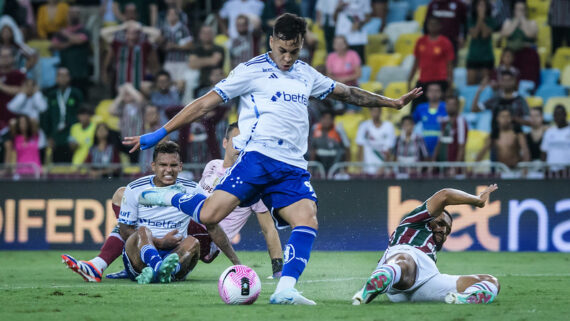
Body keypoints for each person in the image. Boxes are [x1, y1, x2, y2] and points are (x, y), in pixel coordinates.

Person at [125, 13, 422, 304]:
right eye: (282, 50)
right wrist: (159, 132)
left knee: (307, 220)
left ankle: (285, 290)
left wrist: (391, 103)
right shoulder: (250, 70)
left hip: (292, 166)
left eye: (294, 51)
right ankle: (165, 197)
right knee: (208, 217)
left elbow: (347, 93)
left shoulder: (306, 73)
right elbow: (205, 104)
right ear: (271, 42)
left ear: (301, 45)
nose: (287, 57)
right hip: (257, 158)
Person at [352, 184, 500, 305]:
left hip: (427, 281)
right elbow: (445, 195)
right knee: (405, 261)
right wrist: (477, 200)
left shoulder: (431, 250)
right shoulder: (413, 222)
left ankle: (463, 298)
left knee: (491, 281)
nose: (443, 230)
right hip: (403, 263)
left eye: (447, 230)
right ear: (428, 218)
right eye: (440, 223)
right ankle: (381, 278)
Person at [119, 141, 240, 284]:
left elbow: (212, 226)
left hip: (174, 256)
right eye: (163, 165)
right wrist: (159, 242)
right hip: (139, 259)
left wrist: (237, 264)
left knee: (193, 242)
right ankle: (159, 268)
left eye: (173, 165)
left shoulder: (192, 189)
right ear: (153, 166)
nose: (168, 170)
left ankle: (166, 271)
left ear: (180, 166)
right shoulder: (135, 188)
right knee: (142, 231)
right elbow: (124, 230)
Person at [199, 122, 284, 278]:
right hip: (186, 227)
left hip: (209, 240)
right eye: (237, 140)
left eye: (246, 142)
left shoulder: (252, 183)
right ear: (225, 143)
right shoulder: (212, 165)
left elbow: (268, 229)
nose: (241, 146)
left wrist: (278, 270)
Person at [409, 17, 454, 110]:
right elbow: (416, 63)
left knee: (442, 109)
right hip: (423, 80)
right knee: (415, 107)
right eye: (430, 24)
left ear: (440, 26)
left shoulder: (445, 42)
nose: (432, 26)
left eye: (435, 24)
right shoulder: (420, 41)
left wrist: (450, 85)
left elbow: (450, 66)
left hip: (440, 81)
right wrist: (410, 80)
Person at [41, 67, 83, 163]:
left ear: (70, 78)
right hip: (55, 134)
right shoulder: (51, 95)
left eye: (65, 75)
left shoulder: (76, 94)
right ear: (56, 78)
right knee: (55, 164)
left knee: (72, 162)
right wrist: (48, 136)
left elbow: (81, 113)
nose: (63, 78)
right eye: (60, 75)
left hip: (72, 133)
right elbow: (45, 116)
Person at [50, 6, 91, 98]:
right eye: (71, 13)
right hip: (65, 70)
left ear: (80, 15)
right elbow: (54, 45)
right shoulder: (59, 32)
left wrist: (65, 35)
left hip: (80, 71)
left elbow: (80, 40)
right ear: (67, 15)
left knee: (81, 97)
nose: (74, 15)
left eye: (76, 13)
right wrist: (71, 42)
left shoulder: (84, 30)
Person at [501, 0, 540, 86]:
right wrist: (516, 21)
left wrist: (522, 20)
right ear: (514, 11)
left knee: (527, 79)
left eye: (522, 10)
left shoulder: (532, 23)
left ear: (526, 11)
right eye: (517, 9)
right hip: (511, 53)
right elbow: (506, 33)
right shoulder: (508, 22)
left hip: (527, 54)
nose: (519, 12)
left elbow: (530, 34)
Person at [355, 107, 396, 175]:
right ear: (370, 112)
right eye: (373, 111)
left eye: (377, 111)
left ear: (380, 112)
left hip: (384, 170)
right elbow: (360, 148)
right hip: (367, 169)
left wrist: (383, 168)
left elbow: (389, 150)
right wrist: (360, 167)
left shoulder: (388, 126)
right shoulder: (364, 126)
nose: (375, 114)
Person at [412, 83, 447, 158]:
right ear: (427, 93)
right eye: (431, 91)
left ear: (441, 93)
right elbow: (413, 124)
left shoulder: (446, 107)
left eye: (437, 91)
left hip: (442, 147)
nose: (434, 93)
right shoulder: (420, 108)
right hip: (422, 148)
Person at [159, 7, 193, 82]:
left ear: (177, 16)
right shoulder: (164, 29)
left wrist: (175, 46)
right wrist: (163, 45)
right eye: (169, 14)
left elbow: (190, 45)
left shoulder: (183, 28)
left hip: (181, 60)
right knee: (168, 82)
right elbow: (160, 46)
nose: (171, 16)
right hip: (168, 60)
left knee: (181, 82)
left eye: (173, 14)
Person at [466, 0, 496, 85]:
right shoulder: (470, 19)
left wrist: (481, 18)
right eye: (479, 5)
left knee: (485, 84)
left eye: (483, 5)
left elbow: (484, 34)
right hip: (473, 56)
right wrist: (480, 18)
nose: (481, 8)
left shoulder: (491, 20)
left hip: (487, 56)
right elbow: (474, 34)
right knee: (471, 83)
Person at [433, 95, 468, 162]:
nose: (450, 107)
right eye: (448, 104)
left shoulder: (460, 121)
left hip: (454, 165)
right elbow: (439, 143)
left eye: (453, 104)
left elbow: (461, 146)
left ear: (457, 106)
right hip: (442, 165)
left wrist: (456, 167)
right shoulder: (443, 121)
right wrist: (433, 162)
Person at [0, 46, 26, 130]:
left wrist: (1, 86)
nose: (5, 59)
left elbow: (23, 91)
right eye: (2, 56)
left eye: (8, 56)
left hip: (16, 118)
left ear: (13, 58)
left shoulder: (19, 74)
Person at [541, 105, 570, 172]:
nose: (557, 117)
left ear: (565, 115)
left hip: (567, 170)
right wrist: (545, 168)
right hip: (552, 171)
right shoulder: (549, 132)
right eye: (555, 115)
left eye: (559, 114)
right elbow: (544, 152)